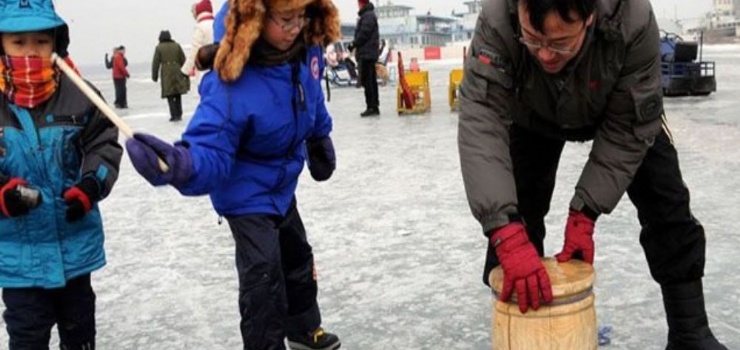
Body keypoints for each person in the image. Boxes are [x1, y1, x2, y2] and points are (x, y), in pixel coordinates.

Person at [458, 0, 728, 349]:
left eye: (559, 43)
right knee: (515, 217)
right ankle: (525, 335)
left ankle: (690, 332)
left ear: (589, 18)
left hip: (619, 110)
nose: (544, 55)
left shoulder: (632, 20)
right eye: (532, 39)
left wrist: (585, 212)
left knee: (667, 202)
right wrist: (504, 231)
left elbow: (630, 127)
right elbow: (481, 117)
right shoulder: (497, 19)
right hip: (530, 112)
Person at [126, 0, 341, 349]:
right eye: (286, 19)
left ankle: (303, 327)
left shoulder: (303, 52)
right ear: (256, 17)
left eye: (302, 17)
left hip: (282, 183)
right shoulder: (231, 81)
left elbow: (312, 97)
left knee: (298, 256)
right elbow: (210, 147)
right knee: (263, 273)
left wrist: (319, 135)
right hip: (244, 193)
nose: (295, 27)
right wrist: (181, 165)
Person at [0, 0, 123, 349]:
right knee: (27, 339)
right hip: (18, 258)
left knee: (81, 335)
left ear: (56, 42)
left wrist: (90, 185)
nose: (31, 52)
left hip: (74, 249)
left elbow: (104, 143)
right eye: (18, 43)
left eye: (41, 41)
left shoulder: (79, 95)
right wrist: (2, 193)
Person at [348, 0, 379, 117]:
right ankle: (373, 105)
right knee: (371, 80)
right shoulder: (368, 15)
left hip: (367, 54)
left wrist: (354, 44)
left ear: (362, 4)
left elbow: (364, 34)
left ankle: (371, 106)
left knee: (368, 81)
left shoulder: (367, 16)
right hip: (368, 53)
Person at [151, 30, 189, 122]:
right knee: (177, 93)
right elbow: (183, 59)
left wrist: (154, 76)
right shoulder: (177, 46)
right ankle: (179, 114)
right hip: (177, 70)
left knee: (170, 95)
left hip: (166, 72)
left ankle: (173, 115)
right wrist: (186, 72)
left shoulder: (159, 48)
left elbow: (155, 63)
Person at [182, 0, 215, 85]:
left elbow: (195, 50)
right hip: (218, 66)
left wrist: (186, 70)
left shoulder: (200, 27)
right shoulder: (217, 24)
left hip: (204, 67)